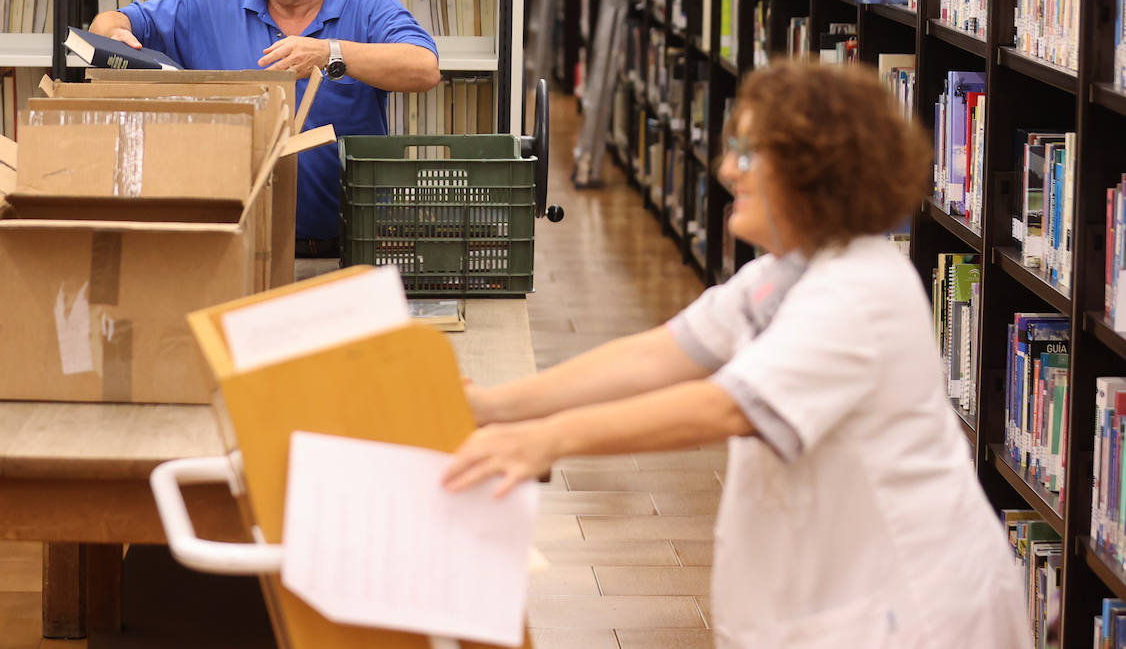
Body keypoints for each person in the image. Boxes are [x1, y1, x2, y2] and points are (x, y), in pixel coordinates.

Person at [443, 62, 1033, 649]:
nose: (728, 170)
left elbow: (723, 409)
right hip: (833, 597)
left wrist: (546, 440)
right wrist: (496, 405)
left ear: (813, 171)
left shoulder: (860, 293)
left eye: (749, 154)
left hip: (915, 611)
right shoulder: (783, 274)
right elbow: (655, 356)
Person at [88, 0, 441, 256]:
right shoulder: (209, 3)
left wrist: (330, 54)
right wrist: (113, 35)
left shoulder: (369, 6)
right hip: (234, 248)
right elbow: (109, 23)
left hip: (347, 249)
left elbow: (424, 68)